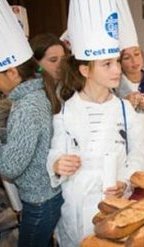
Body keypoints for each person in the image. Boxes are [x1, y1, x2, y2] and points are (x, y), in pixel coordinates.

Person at [46, 1, 144, 246]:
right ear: (85, 70)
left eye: (116, 61)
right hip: (76, 205)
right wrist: (58, 163)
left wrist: (124, 180)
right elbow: (56, 152)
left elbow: (139, 154)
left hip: (114, 202)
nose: (117, 69)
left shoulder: (126, 110)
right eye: (107, 64)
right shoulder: (65, 111)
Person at [0, 1, 63, 246]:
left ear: (12, 73)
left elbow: (10, 167)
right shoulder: (37, 93)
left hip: (39, 202)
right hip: (47, 196)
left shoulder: (27, 106)